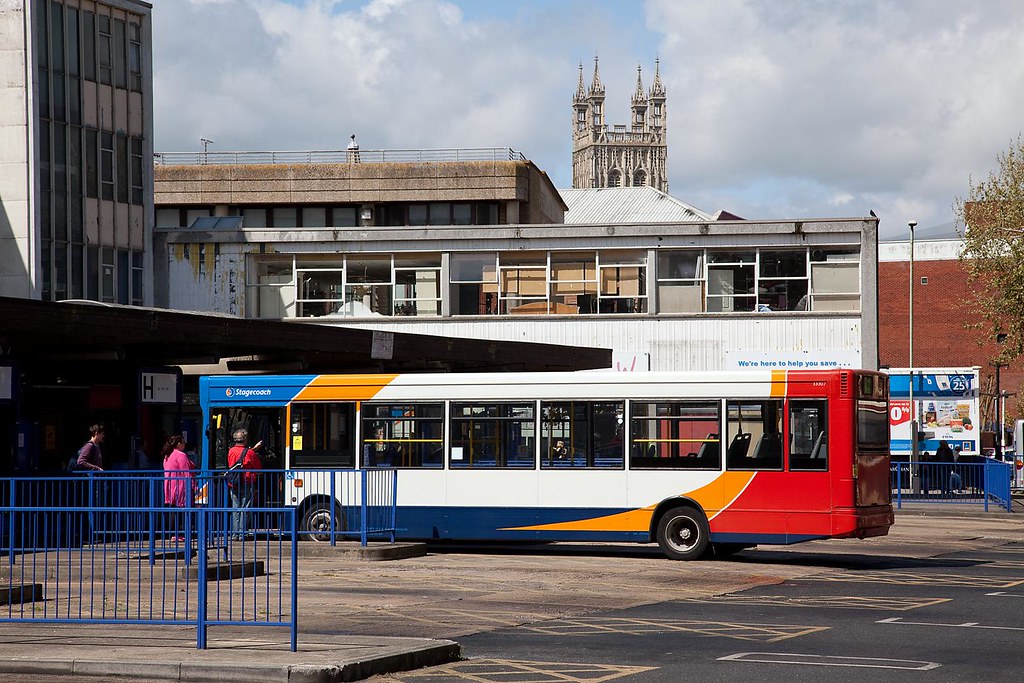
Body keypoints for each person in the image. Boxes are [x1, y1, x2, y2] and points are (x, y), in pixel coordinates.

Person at [227, 429, 262, 539]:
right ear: (245, 439)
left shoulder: (231, 451)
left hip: (233, 483)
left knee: (235, 508)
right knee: (246, 507)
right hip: (247, 481)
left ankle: (235, 533)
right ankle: (243, 533)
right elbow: (258, 467)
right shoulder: (250, 453)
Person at [162, 434, 195, 542]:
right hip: (180, 486)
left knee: (173, 510)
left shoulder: (167, 455)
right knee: (182, 510)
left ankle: (173, 534)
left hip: (169, 485)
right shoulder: (181, 455)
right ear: (179, 444)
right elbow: (186, 473)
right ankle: (179, 533)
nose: (185, 444)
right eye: (183, 442)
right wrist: (193, 486)